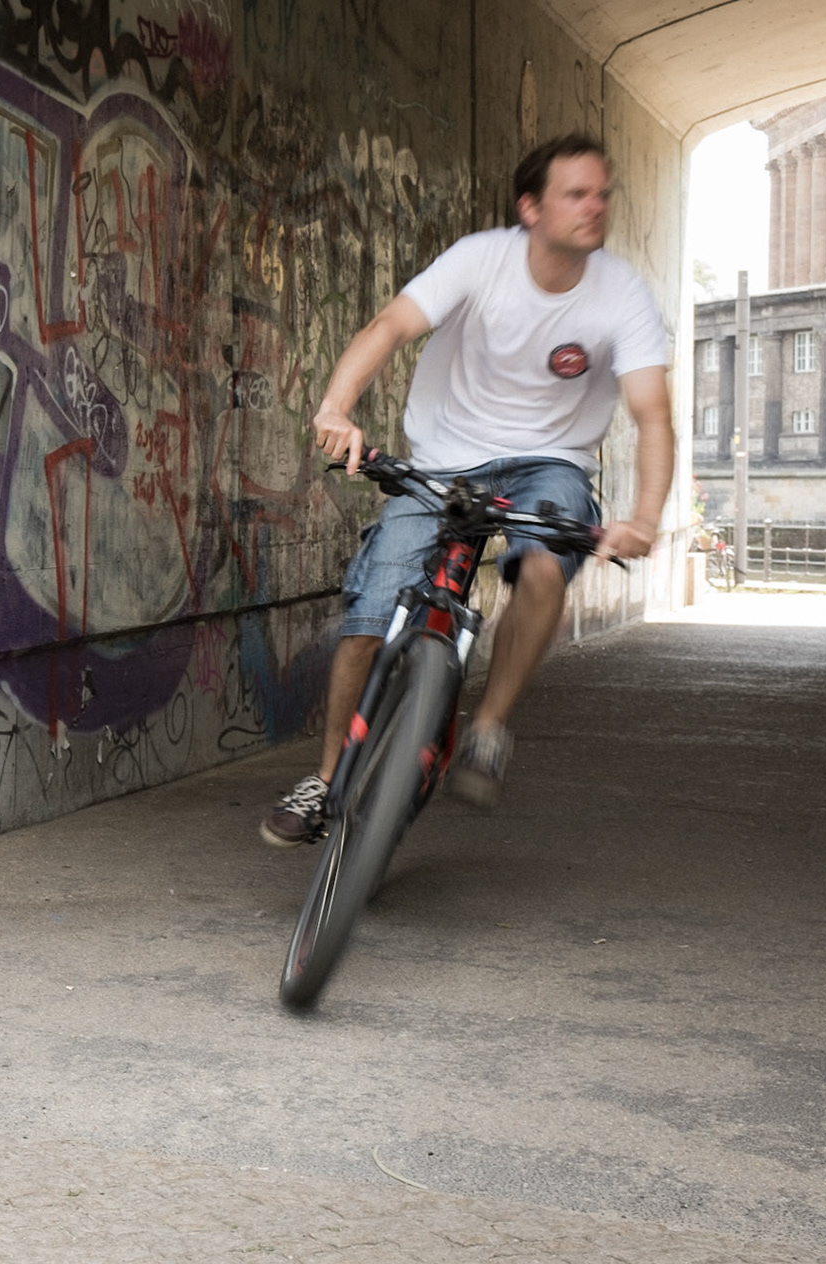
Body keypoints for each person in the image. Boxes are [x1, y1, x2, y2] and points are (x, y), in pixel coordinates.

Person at [262, 134, 673, 845]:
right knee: (370, 613)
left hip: (551, 463)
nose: (595, 207)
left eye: (602, 193)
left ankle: (486, 728)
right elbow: (391, 325)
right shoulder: (483, 260)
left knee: (545, 565)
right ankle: (325, 782)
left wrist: (644, 515)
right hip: (447, 460)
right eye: (576, 194)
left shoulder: (621, 295)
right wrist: (335, 406)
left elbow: (652, 412)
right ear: (531, 208)